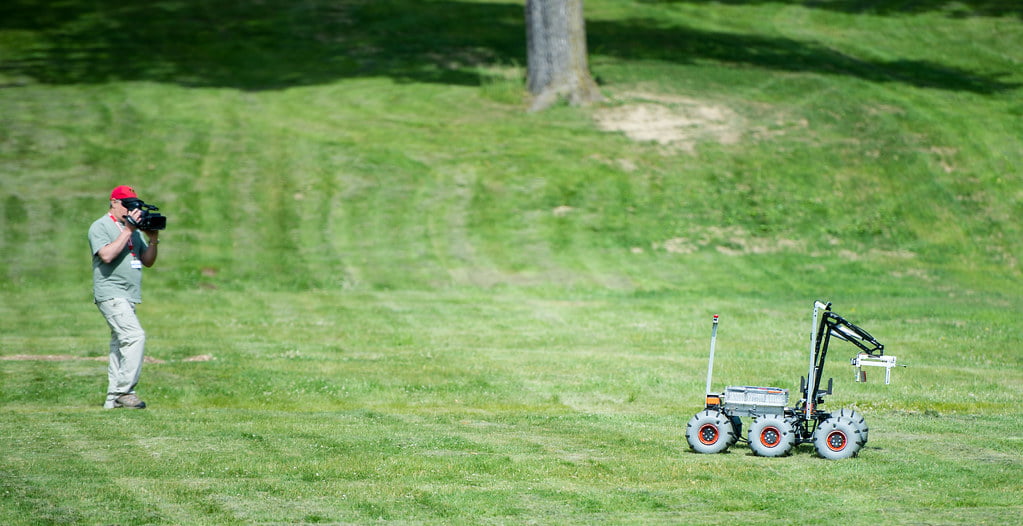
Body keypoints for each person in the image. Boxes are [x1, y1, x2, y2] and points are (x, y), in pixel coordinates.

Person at [88, 185, 160, 409]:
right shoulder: (100, 226)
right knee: (134, 336)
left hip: (128, 295)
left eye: (135, 205)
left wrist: (153, 239)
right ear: (114, 203)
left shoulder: (133, 230)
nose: (132, 209)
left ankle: (112, 400)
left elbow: (147, 261)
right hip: (111, 293)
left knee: (119, 345)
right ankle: (125, 392)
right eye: (128, 205)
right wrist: (128, 231)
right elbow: (107, 255)